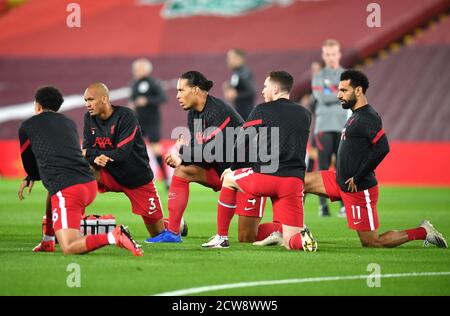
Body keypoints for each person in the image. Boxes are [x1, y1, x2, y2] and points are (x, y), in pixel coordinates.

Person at [304, 69, 447, 248]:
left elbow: (383, 147)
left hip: (357, 188)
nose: (339, 95)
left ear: (358, 91)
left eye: (344, 90)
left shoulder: (367, 117)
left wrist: (358, 176)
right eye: (339, 90)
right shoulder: (355, 115)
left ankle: (423, 231)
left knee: (372, 242)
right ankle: (290, 230)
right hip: (338, 180)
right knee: (297, 183)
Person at [18, 86, 143, 256]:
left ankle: (113, 236)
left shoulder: (27, 126)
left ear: (37, 106)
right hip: (89, 184)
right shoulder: (68, 123)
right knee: (53, 190)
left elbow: (30, 165)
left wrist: (32, 175)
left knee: (69, 246)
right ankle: (48, 240)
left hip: (69, 191)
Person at [203, 71, 317, 251]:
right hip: (294, 182)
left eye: (265, 86)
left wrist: (232, 168)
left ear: (276, 88)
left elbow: (242, 141)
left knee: (229, 179)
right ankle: (302, 240)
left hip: (266, 177)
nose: (263, 91)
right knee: (290, 241)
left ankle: (221, 237)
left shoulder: (262, 110)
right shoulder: (305, 113)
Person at [148, 71, 265, 244]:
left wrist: (183, 154)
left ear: (195, 90)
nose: (178, 95)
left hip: (246, 177)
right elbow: (203, 152)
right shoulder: (194, 114)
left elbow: (212, 150)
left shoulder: (218, 111)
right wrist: (184, 156)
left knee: (247, 237)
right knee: (182, 171)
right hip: (222, 174)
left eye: (181, 90)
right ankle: (173, 232)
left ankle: (285, 229)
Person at [82, 82, 166, 239]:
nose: (87, 104)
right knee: (79, 169)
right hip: (110, 174)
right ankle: (71, 223)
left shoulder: (126, 116)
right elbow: (85, 150)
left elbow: (122, 153)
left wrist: (95, 154)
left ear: (104, 99)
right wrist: (95, 156)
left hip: (137, 179)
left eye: (91, 99)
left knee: (158, 234)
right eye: (85, 100)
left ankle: (175, 225)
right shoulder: (89, 118)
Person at [311, 39, 348, 217]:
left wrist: (330, 90)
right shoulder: (318, 76)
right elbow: (322, 97)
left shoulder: (347, 75)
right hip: (323, 126)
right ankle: (323, 206)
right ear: (323, 55)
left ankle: (343, 205)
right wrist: (340, 92)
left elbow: (350, 98)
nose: (331, 57)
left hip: (343, 126)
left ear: (339, 54)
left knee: (342, 166)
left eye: (334, 54)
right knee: (324, 167)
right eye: (328, 54)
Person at [130, 58, 170, 188]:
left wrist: (147, 101)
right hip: (138, 121)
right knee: (135, 149)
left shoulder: (153, 83)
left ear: (146, 69)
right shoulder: (134, 84)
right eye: (135, 69)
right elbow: (132, 100)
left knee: (156, 149)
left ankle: (166, 178)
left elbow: (163, 98)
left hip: (152, 121)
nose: (135, 71)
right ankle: (139, 179)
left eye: (138, 68)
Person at [223, 48, 256, 120]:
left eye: (231, 58)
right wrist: (229, 87)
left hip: (246, 115)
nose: (228, 61)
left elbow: (252, 92)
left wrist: (236, 96)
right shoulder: (237, 73)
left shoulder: (244, 73)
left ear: (239, 59)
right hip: (241, 114)